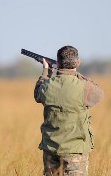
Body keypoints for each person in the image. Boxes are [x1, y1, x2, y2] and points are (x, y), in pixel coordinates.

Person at [34, 45, 104, 175]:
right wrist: (76, 74)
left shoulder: (47, 86)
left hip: (51, 149)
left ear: (58, 63)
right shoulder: (84, 87)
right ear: (78, 62)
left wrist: (46, 71)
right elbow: (99, 94)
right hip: (76, 151)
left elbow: (37, 94)